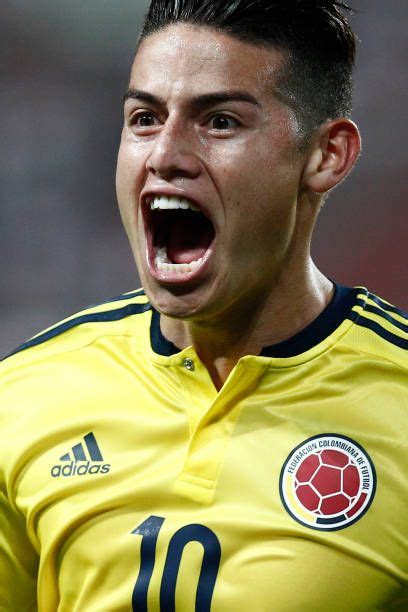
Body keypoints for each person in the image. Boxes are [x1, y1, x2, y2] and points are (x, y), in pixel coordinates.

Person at [1, 0, 406, 609]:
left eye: (219, 122)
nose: (164, 155)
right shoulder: (22, 397)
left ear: (327, 156)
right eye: (143, 118)